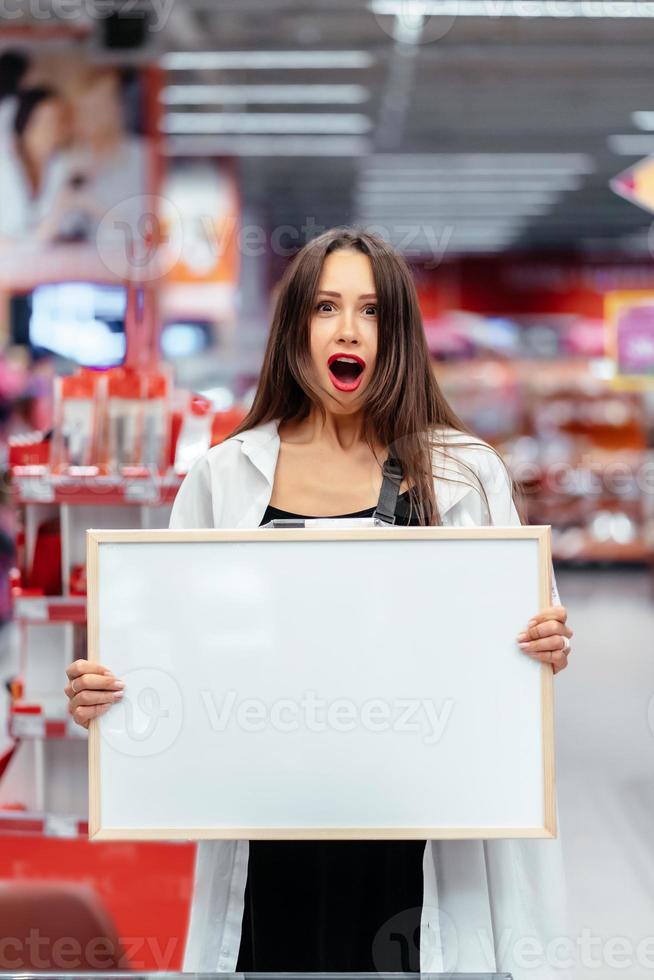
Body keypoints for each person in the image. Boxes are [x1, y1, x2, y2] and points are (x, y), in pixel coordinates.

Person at [64, 228, 573, 979]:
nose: (347, 329)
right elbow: (168, 658)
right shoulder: (224, 477)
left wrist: (545, 647)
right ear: (294, 327)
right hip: (271, 835)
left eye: (370, 311)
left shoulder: (463, 474)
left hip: (421, 834)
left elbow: (526, 641)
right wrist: (108, 698)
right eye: (326, 306)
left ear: (395, 334)